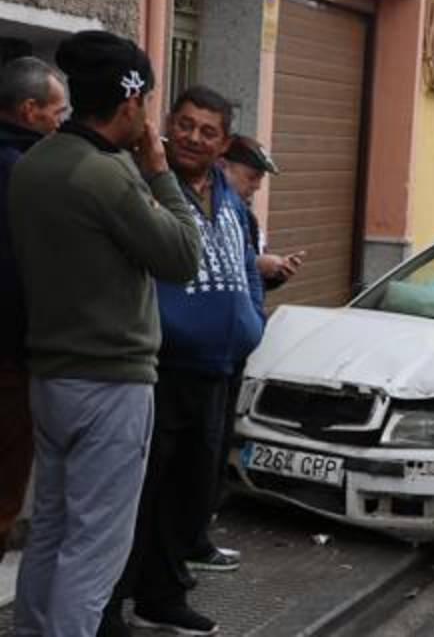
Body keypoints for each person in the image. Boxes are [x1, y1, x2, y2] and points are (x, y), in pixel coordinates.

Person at [9, 30, 201, 637]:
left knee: (51, 528)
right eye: (147, 102)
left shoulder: (35, 163)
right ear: (130, 102)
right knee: (94, 548)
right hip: (110, 380)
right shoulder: (106, 176)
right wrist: (161, 174)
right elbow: (182, 256)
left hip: (51, 374)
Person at [108, 86, 264, 636]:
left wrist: (253, 320)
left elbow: (245, 264)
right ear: (169, 123)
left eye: (208, 131)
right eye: (186, 124)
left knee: (189, 494)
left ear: (224, 143)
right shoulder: (143, 184)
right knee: (136, 495)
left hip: (216, 370)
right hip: (156, 368)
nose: (193, 138)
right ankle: (109, 605)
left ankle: (163, 596)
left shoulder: (228, 195)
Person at [0, 56, 67, 566]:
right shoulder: (24, 172)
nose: (62, 124)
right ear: (29, 110)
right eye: (58, 113)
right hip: (9, 357)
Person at [221, 135, 303, 291]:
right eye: (251, 177)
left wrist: (276, 273)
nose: (257, 186)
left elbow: (256, 286)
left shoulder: (248, 220)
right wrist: (255, 265)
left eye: (260, 178)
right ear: (222, 166)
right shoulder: (202, 216)